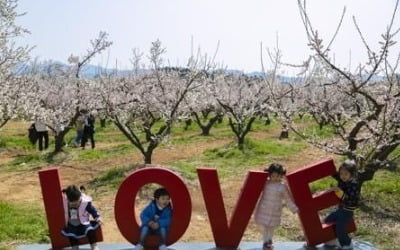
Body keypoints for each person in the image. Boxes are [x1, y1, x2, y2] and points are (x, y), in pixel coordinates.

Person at [254, 163, 298, 250]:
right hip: (264, 209)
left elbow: (287, 198)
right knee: (265, 227)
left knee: (271, 227)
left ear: (281, 175)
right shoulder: (265, 183)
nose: (276, 178)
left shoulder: (282, 186)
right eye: (273, 176)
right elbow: (255, 190)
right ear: (269, 175)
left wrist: (293, 208)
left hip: (275, 211)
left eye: (278, 176)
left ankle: (269, 241)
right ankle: (266, 242)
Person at [323, 159, 360, 249]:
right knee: (328, 220)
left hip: (347, 211)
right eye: (341, 173)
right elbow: (335, 174)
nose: (343, 176)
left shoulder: (354, 185)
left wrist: (338, 191)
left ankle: (347, 243)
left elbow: (349, 199)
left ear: (351, 174)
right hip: (340, 209)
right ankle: (332, 241)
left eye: (346, 174)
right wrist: (327, 167)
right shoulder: (342, 179)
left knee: (340, 228)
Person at [61, 185, 102, 250]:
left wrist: (97, 217)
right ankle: (75, 247)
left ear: (80, 197)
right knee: (71, 235)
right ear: (68, 199)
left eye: (76, 202)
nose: (75, 204)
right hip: (72, 223)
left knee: (90, 231)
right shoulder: (64, 200)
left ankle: (94, 246)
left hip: (83, 222)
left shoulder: (85, 202)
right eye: (72, 203)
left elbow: (92, 210)